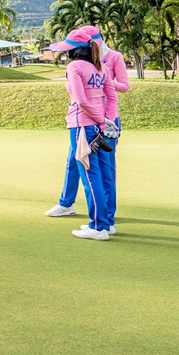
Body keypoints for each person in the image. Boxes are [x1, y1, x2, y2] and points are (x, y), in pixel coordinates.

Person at [45, 25, 129, 227]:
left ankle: (104, 220)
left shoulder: (109, 59)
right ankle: (68, 204)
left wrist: (95, 83)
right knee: (76, 162)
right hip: (91, 120)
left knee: (99, 169)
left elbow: (121, 88)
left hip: (98, 121)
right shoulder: (92, 65)